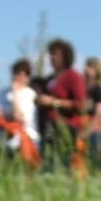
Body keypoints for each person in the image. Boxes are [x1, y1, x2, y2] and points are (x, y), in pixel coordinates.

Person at [36, 38, 87, 168]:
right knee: (47, 163)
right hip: (47, 128)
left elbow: (79, 105)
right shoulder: (49, 79)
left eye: (56, 55)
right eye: (51, 54)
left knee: (62, 163)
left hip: (65, 128)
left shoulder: (74, 77)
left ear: (66, 56)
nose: (52, 58)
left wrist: (54, 103)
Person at [0, 58, 40, 169]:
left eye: (21, 75)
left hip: (25, 136)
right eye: (15, 74)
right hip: (3, 133)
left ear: (27, 78)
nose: (17, 78)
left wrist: (15, 94)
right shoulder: (2, 92)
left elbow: (20, 117)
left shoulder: (30, 94)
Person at [80, 57, 101, 169]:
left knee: (94, 158)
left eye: (90, 66)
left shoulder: (98, 90)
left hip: (94, 130)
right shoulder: (82, 88)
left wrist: (87, 131)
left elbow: (99, 113)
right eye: (86, 65)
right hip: (81, 126)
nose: (86, 69)